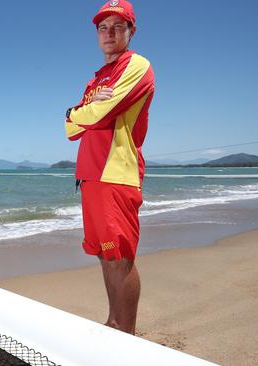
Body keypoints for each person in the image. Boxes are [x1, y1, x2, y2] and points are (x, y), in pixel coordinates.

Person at [64, 0, 154, 335]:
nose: (110, 33)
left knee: (119, 256)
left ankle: (125, 334)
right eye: (103, 27)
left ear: (131, 31)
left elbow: (98, 115)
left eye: (118, 26)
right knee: (104, 255)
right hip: (89, 176)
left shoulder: (138, 66)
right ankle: (114, 322)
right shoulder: (98, 79)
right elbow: (72, 129)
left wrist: (80, 112)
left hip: (116, 173)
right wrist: (78, 113)